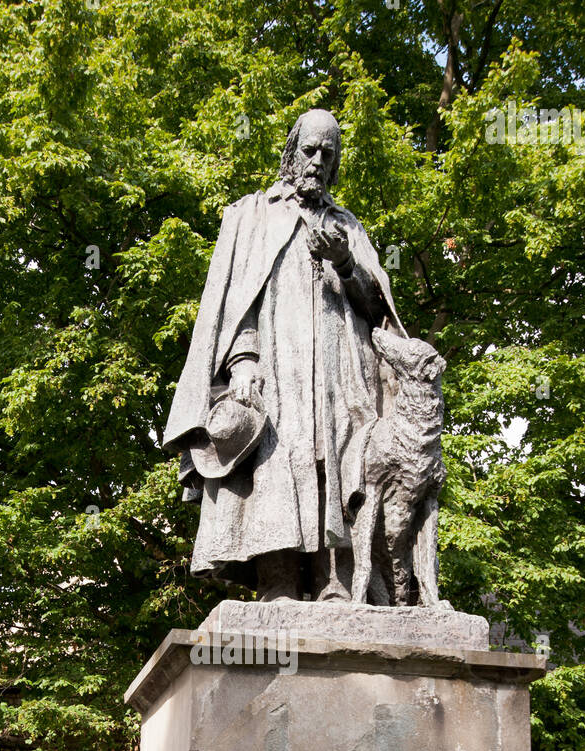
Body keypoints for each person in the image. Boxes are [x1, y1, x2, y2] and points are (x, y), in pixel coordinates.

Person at [163, 109, 406, 602]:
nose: (317, 161)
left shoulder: (347, 226)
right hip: (277, 366)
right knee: (279, 459)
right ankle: (278, 584)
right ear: (292, 149)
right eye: (309, 150)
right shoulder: (255, 214)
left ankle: (333, 581)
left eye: (328, 154)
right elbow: (235, 301)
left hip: (342, 371)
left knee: (337, 463)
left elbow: (379, 309)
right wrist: (243, 359)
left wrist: (344, 261)